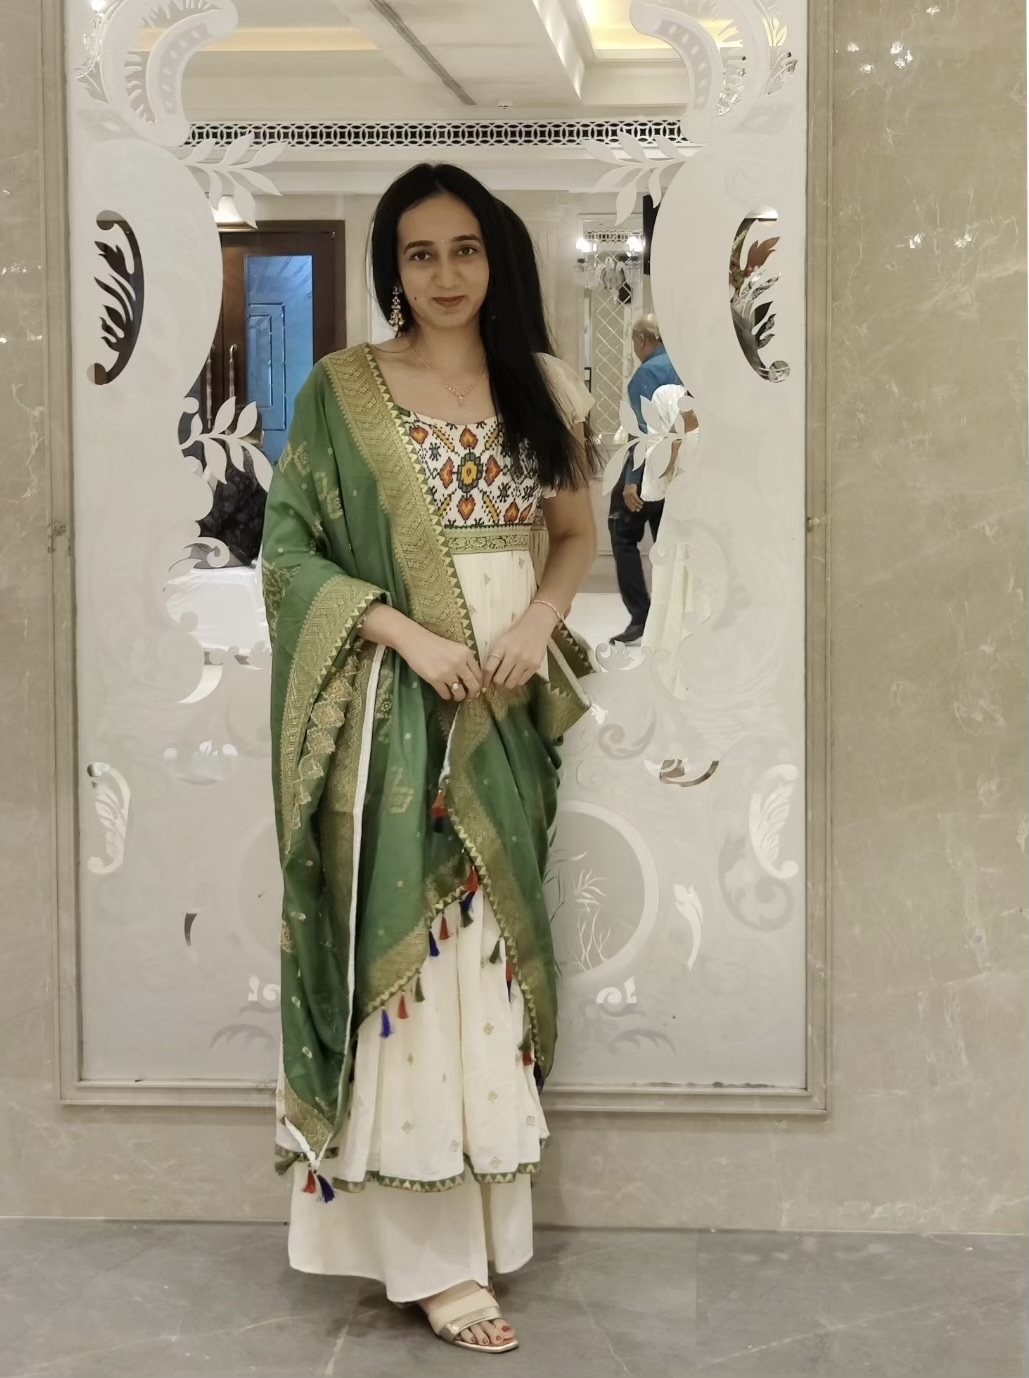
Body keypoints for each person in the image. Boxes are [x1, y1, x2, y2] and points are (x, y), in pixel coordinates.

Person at [262, 162, 600, 1355]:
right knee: (412, 971)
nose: (446, 274)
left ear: (496, 258)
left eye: (466, 249)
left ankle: (479, 1236)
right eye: (420, 253)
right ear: (391, 268)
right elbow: (289, 555)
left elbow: (573, 536)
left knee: (486, 974)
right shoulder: (342, 390)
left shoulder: (542, 386)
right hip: (390, 715)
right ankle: (430, 1262)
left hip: (505, 710)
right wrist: (408, 637)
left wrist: (536, 624)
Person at [608, 314, 683, 644]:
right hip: (680, 471)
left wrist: (631, 480)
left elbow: (641, 431)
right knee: (668, 541)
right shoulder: (684, 365)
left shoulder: (646, 374)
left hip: (650, 471)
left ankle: (641, 615)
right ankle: (670, 620)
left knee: (622, 535)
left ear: (641, 340)